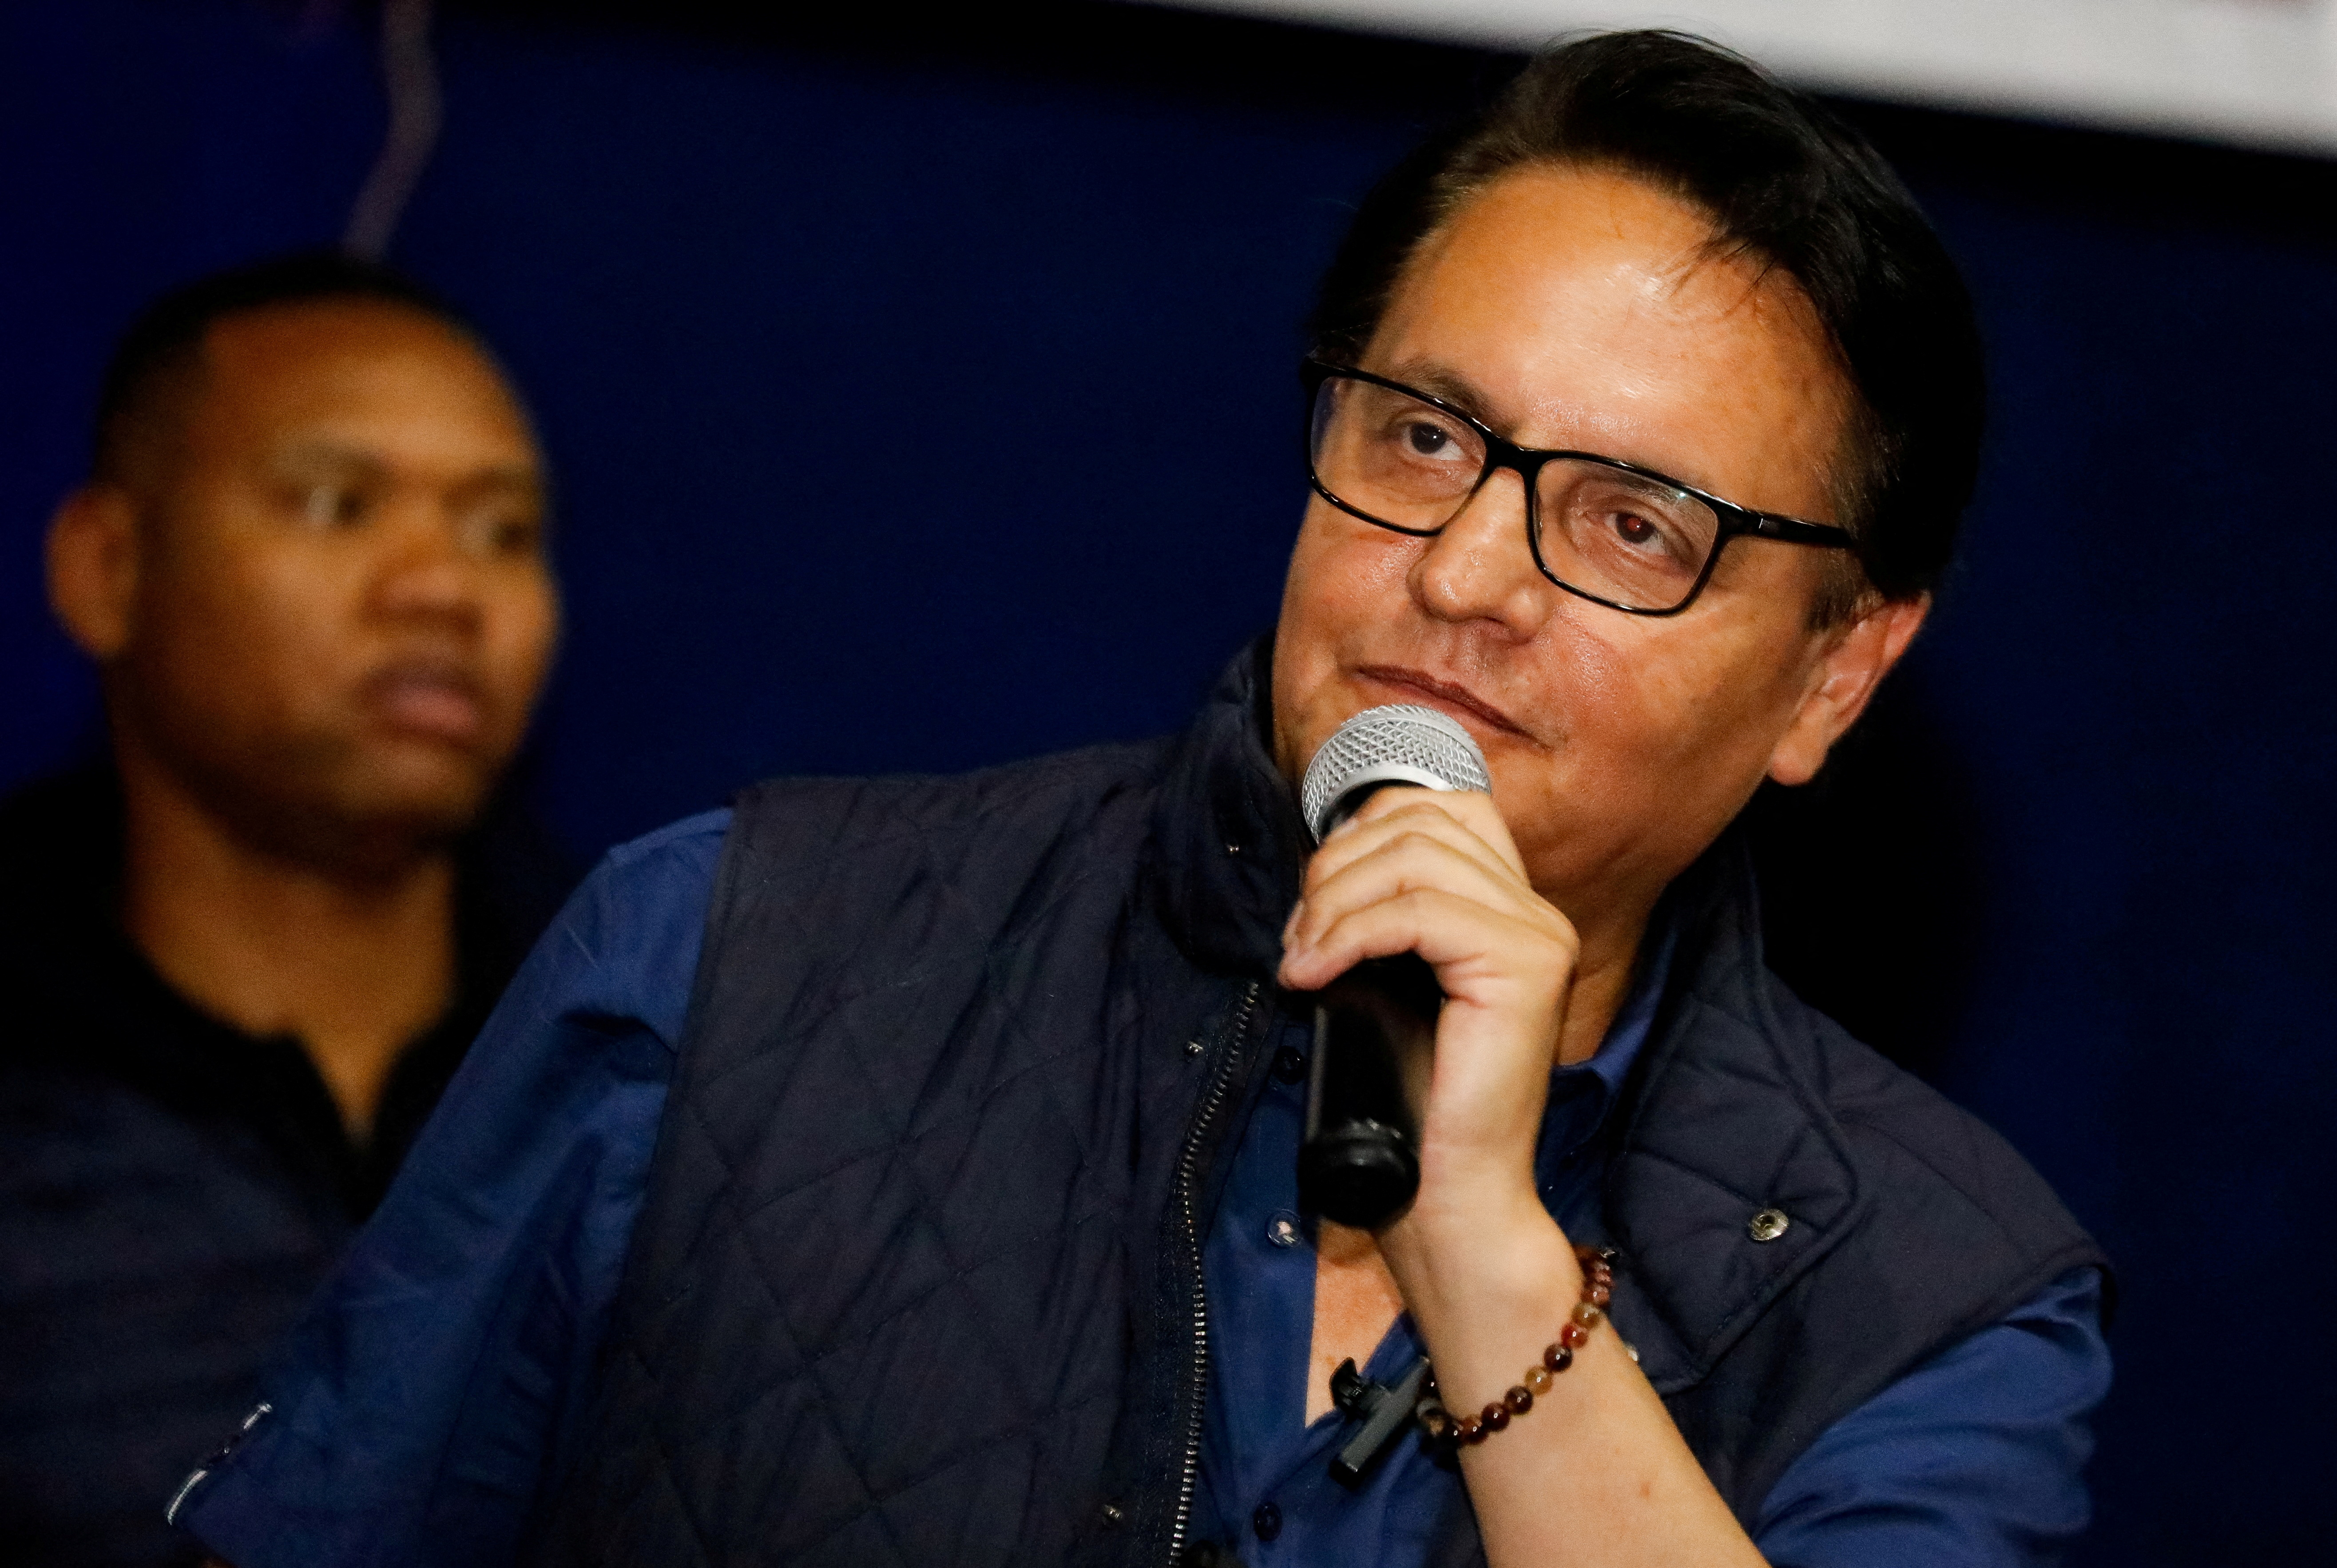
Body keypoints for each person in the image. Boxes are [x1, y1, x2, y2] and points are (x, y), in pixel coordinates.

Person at [174, 33, 2110, 1568]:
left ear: (1833, 671)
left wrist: (1486, 1251)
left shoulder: (1931, 1307)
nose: (1462, 575)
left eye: (1630, 525)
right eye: (1423, 436)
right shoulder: (726, 960)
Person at [0, 254, 567, 1568]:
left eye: (504, 531)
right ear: (106, 566)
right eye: (336, 503)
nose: (440, 586)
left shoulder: (666, 1055)